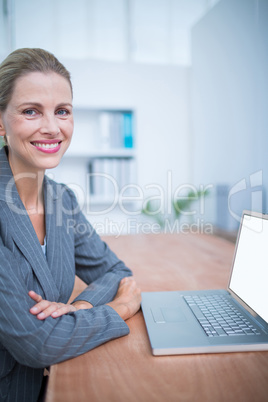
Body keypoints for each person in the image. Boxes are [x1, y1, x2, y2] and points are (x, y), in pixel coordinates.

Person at [0, 48, 141, 402]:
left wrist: (81, 307)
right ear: (1, 122)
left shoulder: (62, 200)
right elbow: (37, 342)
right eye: (31, 111)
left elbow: (116, 272)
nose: (52, 127)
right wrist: (119, 308)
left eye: (62, 111)